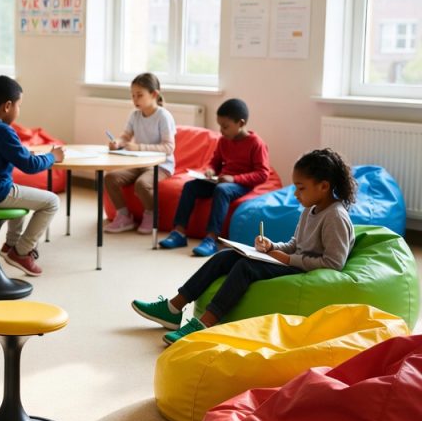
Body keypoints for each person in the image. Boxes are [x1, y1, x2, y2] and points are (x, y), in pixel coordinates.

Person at [132, 148, 356, 346]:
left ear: (324, 186)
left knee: (246, 267)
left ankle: (205, 323)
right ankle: (173, 308)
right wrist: (271, 246)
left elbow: (334, 264)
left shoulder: (335, 217)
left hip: (306, 270)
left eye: (301, 188)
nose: (296, 194)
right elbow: (295, 244)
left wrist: (288, 260)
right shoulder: (311, 208)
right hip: (294, 262)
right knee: (226, 256)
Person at [0, 75, 64, 277]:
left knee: (19, 192)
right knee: (52, 201)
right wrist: (52, 156)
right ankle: (22, 251)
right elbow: (30, 166)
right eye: (19, 105)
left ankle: (10, 245)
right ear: (7, 106)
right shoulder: (3, 131)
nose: (18, 110)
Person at [159, 98, 271, 256]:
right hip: (221, 180)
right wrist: (210, 170)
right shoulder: (224, 141)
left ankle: (212, 239)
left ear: (241, 123)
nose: (221, 130)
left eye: (225, 126)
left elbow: (262, 173)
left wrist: (235, 179)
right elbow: (215, 162)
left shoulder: (256, 143)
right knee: (190, 186)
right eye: (220, 126)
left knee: (222, 190)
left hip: (240, 184)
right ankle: (179, 232)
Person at [104, 72, 177, 234]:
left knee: (141, 184)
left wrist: (139, 147)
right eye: (132, 95)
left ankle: (152, 214)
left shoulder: (163, 116)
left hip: (161, 164)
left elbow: (168, 147)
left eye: (139, 95)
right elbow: (126, 136)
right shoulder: (135, 115)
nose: (135, 100)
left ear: (154, 94)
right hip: (138, 162)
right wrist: (118, 142)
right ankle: (124, 216)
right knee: (110, 178)